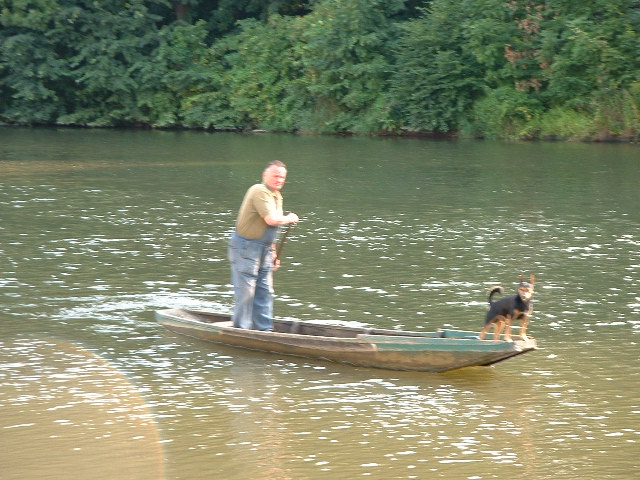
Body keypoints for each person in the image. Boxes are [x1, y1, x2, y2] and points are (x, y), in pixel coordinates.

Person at [228, 161, 299, 331]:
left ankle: (264, 331)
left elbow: (272, 228)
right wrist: (289, 218)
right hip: (246, 248)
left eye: (282, 177)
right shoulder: (259, 190)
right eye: (275, 176)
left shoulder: (277, 196)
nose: (279, 179)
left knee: (265, 292)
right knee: (246, 293)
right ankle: (241, 331)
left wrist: (273, 253)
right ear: (265, 176)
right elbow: (272, 219)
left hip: (265, 249)